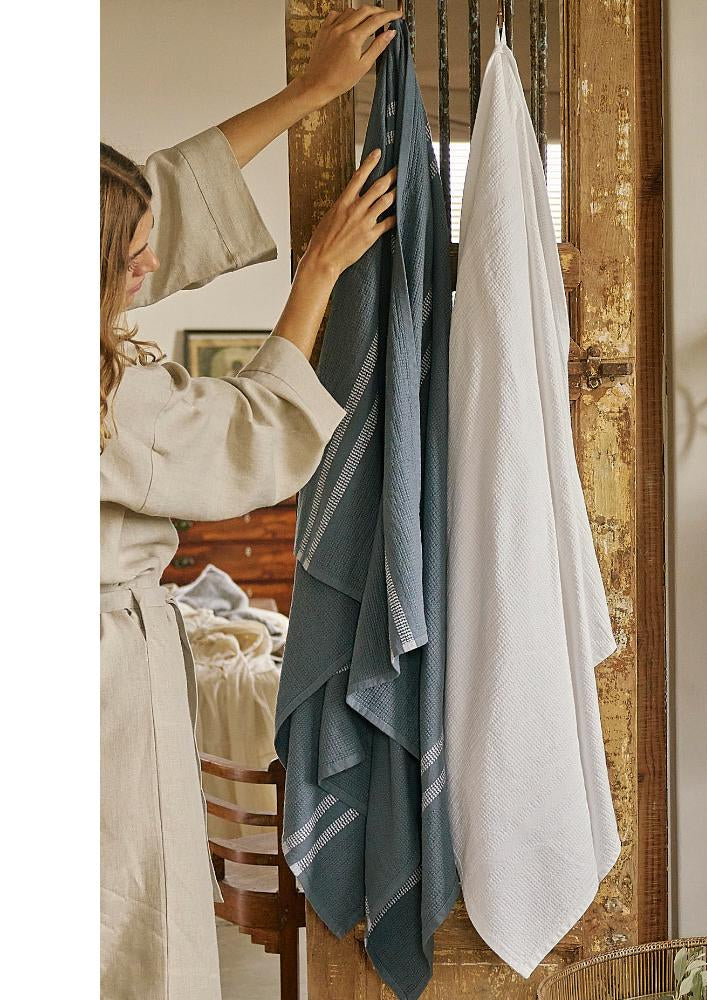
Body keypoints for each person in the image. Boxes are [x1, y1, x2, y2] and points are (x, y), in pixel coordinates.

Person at [99, 7, 401, 998]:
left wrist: (312, 91)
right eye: (128, 262)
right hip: (95, 686)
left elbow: (159, 202)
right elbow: (255, 435)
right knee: (123, 914)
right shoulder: (96, 392)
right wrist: (316, 272)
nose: (149, 271)